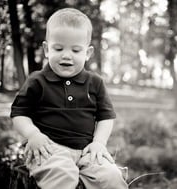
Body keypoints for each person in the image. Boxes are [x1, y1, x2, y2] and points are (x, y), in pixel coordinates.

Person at [10, 8, 128, 189]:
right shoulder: (37, 81)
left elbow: (106, 117)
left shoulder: (95, 82)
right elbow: (19, 114)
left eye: (75, 50)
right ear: (46, 49)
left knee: (111, 177)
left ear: (87, 53)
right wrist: (33, 135)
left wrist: (98, 143)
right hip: (49, 149)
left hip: (87, 151)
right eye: (58, 48)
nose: (66, 55)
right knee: (62, 176)